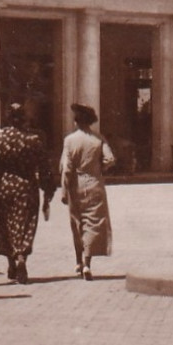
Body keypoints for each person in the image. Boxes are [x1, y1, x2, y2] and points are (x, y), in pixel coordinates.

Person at [0, 104, 49, 285]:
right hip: (27, 187)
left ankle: (11, 264)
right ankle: (21, 256)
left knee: (5, 224)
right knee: (26, 223)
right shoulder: (33, 140)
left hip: (4, 187)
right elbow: (45, 168)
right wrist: (48, 190)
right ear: (24, 118)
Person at [59, 104, 115, 280]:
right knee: (92, 223)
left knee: (77, 223)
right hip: (94, 183)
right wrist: (100, 169)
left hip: (76, 184)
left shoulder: (70, 140)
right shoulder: (98, 139)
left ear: (76, 121)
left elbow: (67, 169)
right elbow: (110, 159)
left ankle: (78, 261)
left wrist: (64, 190)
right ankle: (87, 264)